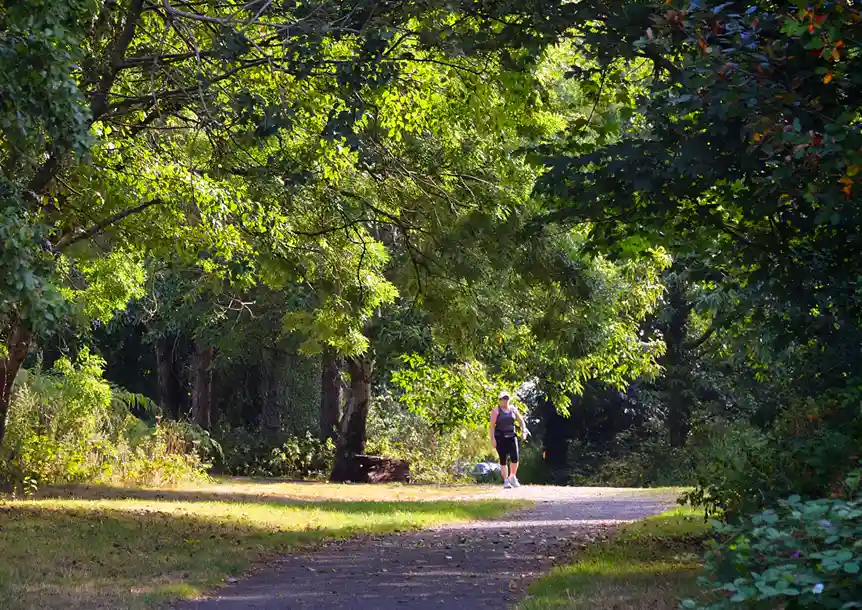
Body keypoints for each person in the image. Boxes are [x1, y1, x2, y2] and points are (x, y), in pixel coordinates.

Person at [490, 390, 529, 488]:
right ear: (500, 400)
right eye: (503, 399)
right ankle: (506, 481)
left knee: (515, 458)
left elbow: (521, 421)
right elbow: (491, 426)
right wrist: (493, 439)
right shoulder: (496, 410)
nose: (505, 400)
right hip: (500, 437)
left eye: (507, 398)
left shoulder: (513, 409)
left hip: (511, 435)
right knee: (503, 459)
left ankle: (513, 476)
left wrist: (523, 431)